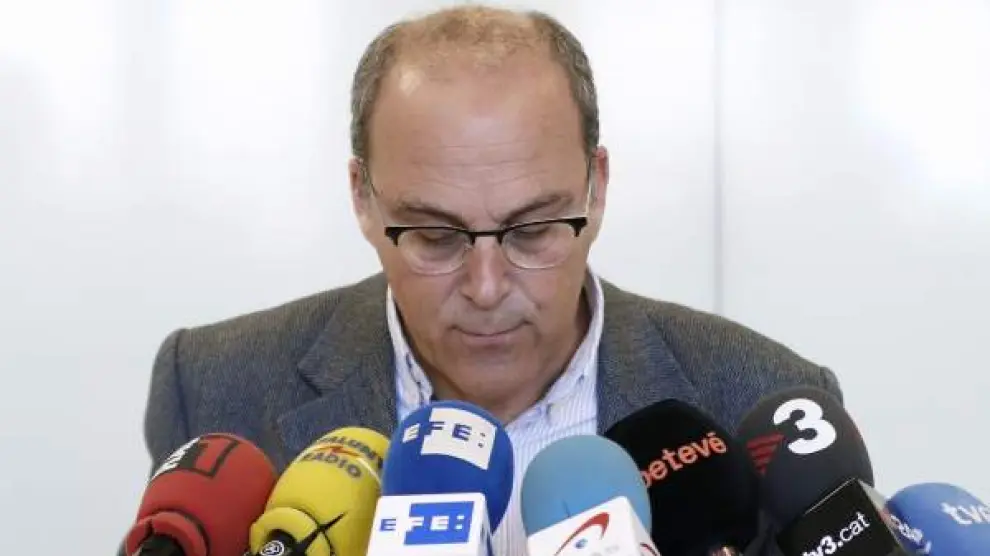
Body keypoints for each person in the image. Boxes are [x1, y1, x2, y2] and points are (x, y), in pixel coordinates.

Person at [136, 5, 841, 555]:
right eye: (435, 236)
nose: (486, 287)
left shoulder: (758, 397)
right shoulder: (215, 387)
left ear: (595, 188)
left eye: (532, 230)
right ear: (363, 199)